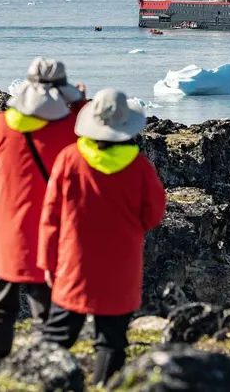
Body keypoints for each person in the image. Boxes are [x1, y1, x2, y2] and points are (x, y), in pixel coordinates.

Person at [0, 58, 85, 372]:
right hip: (53, 238)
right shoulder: (71, 129)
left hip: (6, 235)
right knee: (50, 307)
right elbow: (95, 135)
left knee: (0, 302)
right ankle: (51, 363)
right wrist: (79, 104)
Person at [38, 88, 167, 386]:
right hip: (121, 266)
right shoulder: (140, 168)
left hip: (74, 262)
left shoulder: (69, 159)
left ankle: (43, 382)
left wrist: (47, 261)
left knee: (58, 333)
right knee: (112, 339)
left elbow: (51, 216)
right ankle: (103, 384)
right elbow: (153, 216)